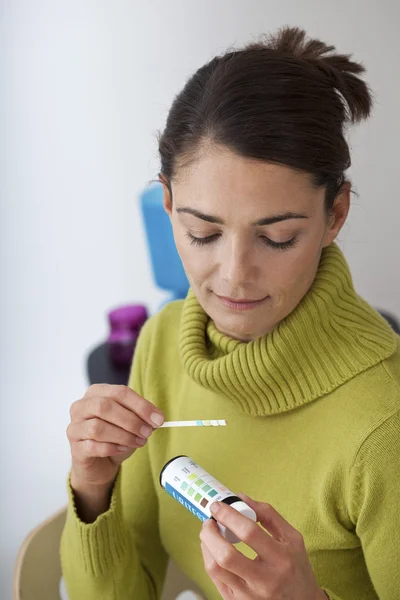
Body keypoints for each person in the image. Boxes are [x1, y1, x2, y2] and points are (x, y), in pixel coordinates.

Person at [61, 26, 400, 600]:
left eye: (278, 238)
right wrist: (92, 487)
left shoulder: (384, 425)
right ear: (168, 205)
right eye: (203, 232)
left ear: (335, 215)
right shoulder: (164, 340)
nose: (234, 276)